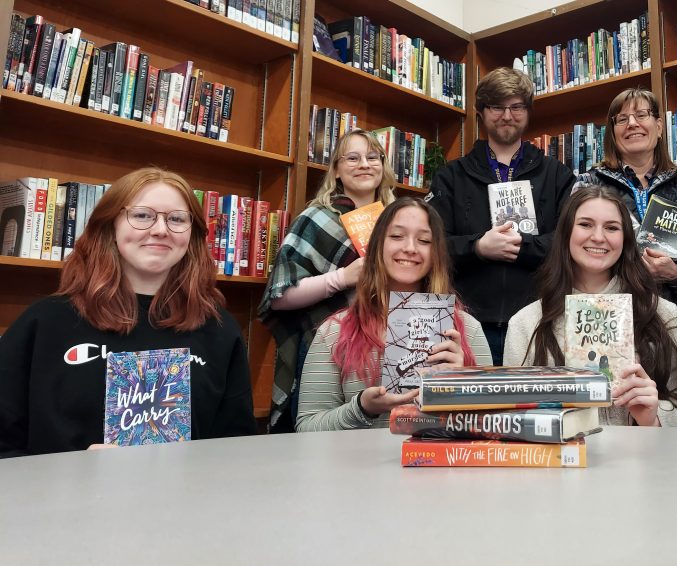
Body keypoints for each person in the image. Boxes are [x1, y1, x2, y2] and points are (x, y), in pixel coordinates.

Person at [0, 167, 256, 457]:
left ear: (192, 235)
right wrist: (70, 471)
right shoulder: (46, 322)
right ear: (110, 225)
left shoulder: (219, 330)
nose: (160, 229)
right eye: (142, 215)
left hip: (186, 500)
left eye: (176, 219)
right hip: (58, 499)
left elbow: (236, 448)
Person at [503, 186, 677, 427]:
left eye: (611, 227)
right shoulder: (525, 323)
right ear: (566, 233)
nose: (599, 237)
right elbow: (511, 423)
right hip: (560, 463)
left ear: (625, 239)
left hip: (646, 462)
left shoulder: (662, 313)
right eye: (585, 224)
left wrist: (655, 417)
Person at [295, 198, 492, 431]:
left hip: (438, 466)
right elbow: (307, 427)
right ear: (377, 246)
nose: (410, 248)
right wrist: (361, 408)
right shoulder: (335, 331)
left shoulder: (466, 330)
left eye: (424, 240)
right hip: (358, 466)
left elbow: (491, 425)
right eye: (397, 236)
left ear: (436, 253)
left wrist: (461, 385)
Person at [427, 67, 575, 365]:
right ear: (481, 111)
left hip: (540, 319)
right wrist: (478, 247)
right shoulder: (450, 177)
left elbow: (569, 240)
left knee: (533, 408)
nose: (507, 115)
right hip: (468, 323)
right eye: (497, 106)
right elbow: (431, 245)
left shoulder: (557, 175)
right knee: (476, 411)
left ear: (528, 111)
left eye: (517, 106)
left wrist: (522, 246)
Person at [259, 129, 397, 432]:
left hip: (392, 345)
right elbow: (279, 296)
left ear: (383, 166)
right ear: (335, 169)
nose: (364, 164)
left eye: (373, 157)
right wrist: (343, 277)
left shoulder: (398, 220)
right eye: (352, 157)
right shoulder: (316, 218)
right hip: (331, 350)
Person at [572, 87, 677, 286]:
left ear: (659, 127)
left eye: (641, 115)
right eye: (622, 119)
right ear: (613, 133)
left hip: (674, 309)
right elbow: (570, 253)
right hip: (610, 307)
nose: (632, 124)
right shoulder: (587, 184)